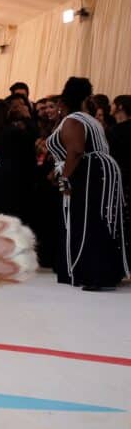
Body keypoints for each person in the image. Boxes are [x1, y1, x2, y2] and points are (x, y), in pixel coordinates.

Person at [46, 77, 129, 290]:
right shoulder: (90, 119)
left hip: (89, 171)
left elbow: (75, 150)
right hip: (102, 169)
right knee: (100, 219)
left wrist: (65, 177)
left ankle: (93, 273)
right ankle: (104, 271)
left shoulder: (73, 120)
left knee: (88, 220)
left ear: (64, 101)